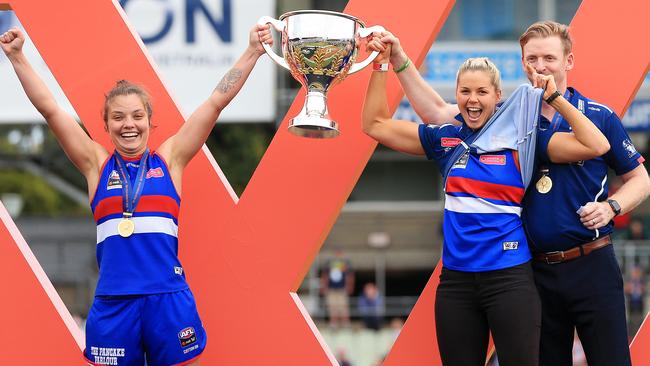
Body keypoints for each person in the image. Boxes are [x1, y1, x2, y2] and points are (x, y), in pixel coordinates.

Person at [373, 20, 650, 366]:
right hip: (535, 268)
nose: (540, 66)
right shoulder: (506, 116)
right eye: (532, 58)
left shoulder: (598, 115)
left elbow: (640, 179)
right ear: (522, 63)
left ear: (569, 61)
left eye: (549, 57)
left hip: (592, 262)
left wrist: (613, 206)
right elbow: (439, 113)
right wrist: (399, 60)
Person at [1, 24, 272, 366]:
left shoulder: (170, 160)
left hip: (168, 301)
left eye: (137, 116)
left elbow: (216, 102)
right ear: (107, 124)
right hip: (115, 304)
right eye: (118, 117)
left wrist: (252, 52)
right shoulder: (96, 165)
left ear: (149, 120)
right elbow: (51, 110)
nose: (128, 124)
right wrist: (17, 57)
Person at [320, 248, 354, 328]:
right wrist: (324, 286)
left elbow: (350, 275)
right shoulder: (329, 263)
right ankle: (333, 323)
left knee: (343, 306)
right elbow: (325, 275)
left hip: (342, 288)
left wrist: (350, 286)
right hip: (331, 288)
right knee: (332, 306)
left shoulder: (346, 262)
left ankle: (345, 323)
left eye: (339, 253)